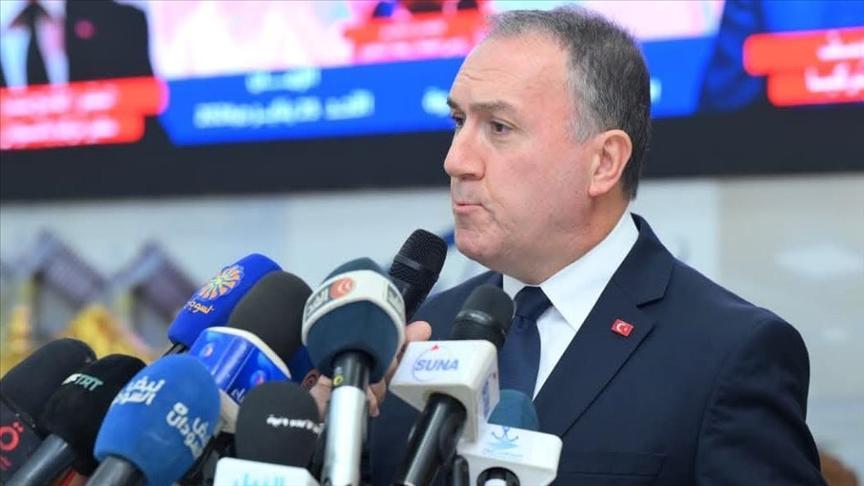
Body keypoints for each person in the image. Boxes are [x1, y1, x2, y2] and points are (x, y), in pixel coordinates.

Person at [310, 6, 825, 485]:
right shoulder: (413, 341)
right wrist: (330, 433)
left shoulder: (727, 353)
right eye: (458, 122)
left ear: (604, 162)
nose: (456, 160)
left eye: (499, 127)